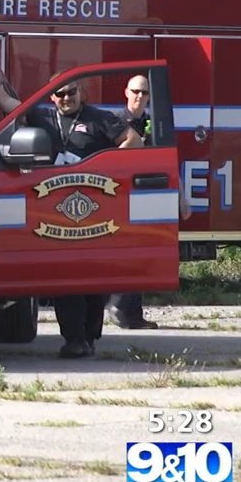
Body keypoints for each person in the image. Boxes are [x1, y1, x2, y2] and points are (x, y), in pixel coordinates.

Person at [0, 51, 141, 358]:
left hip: (94, 209)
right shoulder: (42, 116)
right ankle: (73, 339)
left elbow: (133, 140)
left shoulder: (99, 119)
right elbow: (6, 104)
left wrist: (102, 166)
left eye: (70, 92)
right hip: (54, 213)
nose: (64, 98)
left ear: (81, 92)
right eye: (58, 94)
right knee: (66, 278)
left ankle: (89, 336)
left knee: (93, 281)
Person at [107, 75, 160, 330]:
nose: (140, 96)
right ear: (126, 92)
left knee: (141, 255)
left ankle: (132, 314)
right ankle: (120, 309)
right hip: (120, 196)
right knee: (124, 254)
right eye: (136, 91)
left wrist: (180, 196)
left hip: (148, 195)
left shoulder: (154, 123)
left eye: (145, 93)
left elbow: (167, 158)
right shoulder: (115, 122)